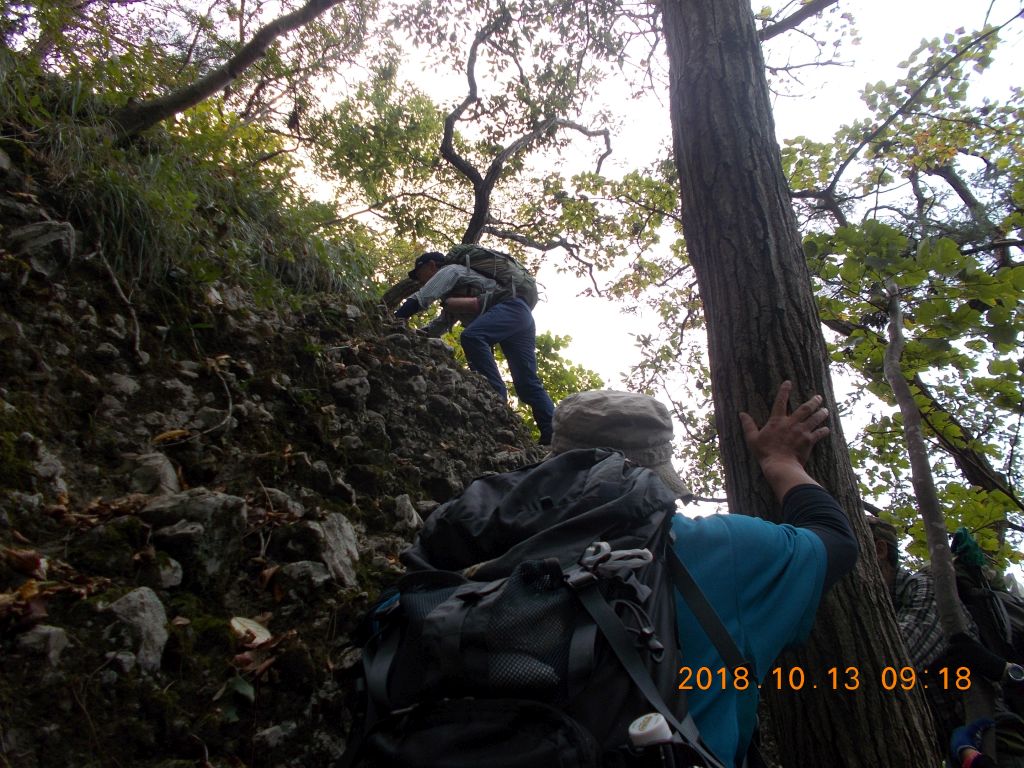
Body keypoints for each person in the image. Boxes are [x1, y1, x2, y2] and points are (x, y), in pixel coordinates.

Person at [548, 382, 858, 767]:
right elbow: (836, 541)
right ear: (653, 475)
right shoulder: (716, 548)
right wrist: (781, 461)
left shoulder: (493, 543)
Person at [867, 516, 1024, 765]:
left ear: (879, 550)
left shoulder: (926, 589)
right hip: (961, 753)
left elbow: (889, 666)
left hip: (998, 742)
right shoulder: (887, 612)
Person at [395, 251, 555, 444]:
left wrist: (394, 320)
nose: (419, 280)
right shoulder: (455, 294)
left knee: (472, 337)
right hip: (521, 315)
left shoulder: (451, 271)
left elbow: (422, 298)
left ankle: (495, 395)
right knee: (528, 383)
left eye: (419, 273)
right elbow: (439, 325)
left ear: (431, 265)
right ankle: (553, 433)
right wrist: (415, 335)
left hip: (511, 308)